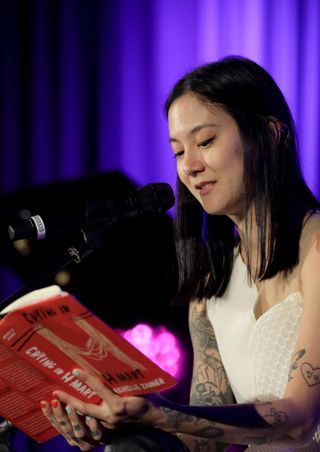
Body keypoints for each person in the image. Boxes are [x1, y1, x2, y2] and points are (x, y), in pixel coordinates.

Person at [41, 56, 320, 451]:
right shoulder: (212, 281)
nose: (189, 166)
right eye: (177, 151)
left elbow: (300, 419)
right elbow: (202, 441)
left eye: (205, 142)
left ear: (271, 134)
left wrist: (163, 412)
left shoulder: (317, 247)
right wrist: (123, 429)